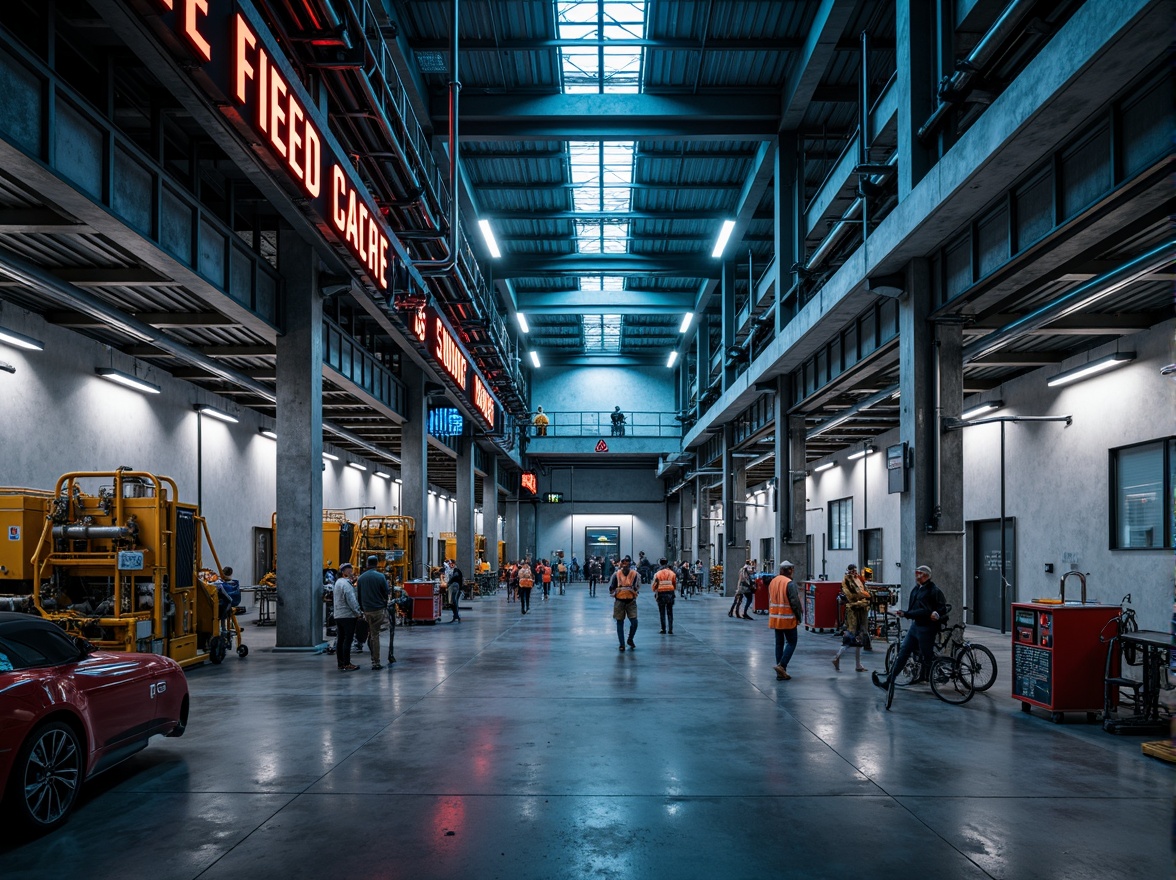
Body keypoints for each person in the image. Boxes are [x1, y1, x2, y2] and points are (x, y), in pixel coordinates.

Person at [872, 564, 947, 702]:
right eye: (916, 573)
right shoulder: (917, 589)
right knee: (903, 653)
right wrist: (906, 614)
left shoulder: (933, 591)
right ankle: (889, 682)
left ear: (925, 576)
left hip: (926, 628)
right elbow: (915, 608)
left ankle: (938, 675)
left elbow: (928, 610)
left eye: (918, 573)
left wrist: (908, 614)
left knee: (927, 657)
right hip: (916, 627)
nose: (916, 575)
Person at [833, 564, 871, 673]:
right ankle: (837, 657)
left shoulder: (858, 580)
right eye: (852, 571)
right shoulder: (846, 582)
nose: (854, 573)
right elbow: (852, 597)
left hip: (860, 611)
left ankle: (858, 664)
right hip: (853, 613)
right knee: (851, 638)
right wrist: (863, 599)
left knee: (859, 639)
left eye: (855, 571)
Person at [769, 561, 802, 680]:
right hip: (787, 618)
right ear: (789, 570)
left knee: (779, 643)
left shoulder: (773, 581)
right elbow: (794, 602)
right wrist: (799, 616)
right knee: (792, 642)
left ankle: (780, 672)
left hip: (775, 618)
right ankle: (782, 666)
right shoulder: (789, 583)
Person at [356, 555, 390, 670]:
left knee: (371, 633)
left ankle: (373, 657)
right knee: (375, 635)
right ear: (377, 564)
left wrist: (362, 608)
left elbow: (358, 596)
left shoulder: (360, 578)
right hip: (378, 610)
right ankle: (375, 662)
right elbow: (386, 592)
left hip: (366, 610)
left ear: (367, 564)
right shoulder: (381, 577)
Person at [332, 562, 361, 671]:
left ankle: (341, 663)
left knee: (340, 639)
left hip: (338, 615)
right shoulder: (345, 584)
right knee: (347, 640)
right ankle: (347, 663)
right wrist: (358, 612)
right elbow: (351, 600)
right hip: (347, 616)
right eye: (350, 570)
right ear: (344, 572)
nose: (352, 572)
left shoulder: (338, 582)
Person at [609, 555, 640, 651]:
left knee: (634, 622)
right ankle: (622, 644)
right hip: (619, 601)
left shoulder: (635, 574)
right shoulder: (616, 574)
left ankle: (630, 639)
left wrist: (633, 591)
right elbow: (611, 587)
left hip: (631, 601)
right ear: (621, 565)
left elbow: (637, 586)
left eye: (627, 564)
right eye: (624, 564)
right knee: (619, 622)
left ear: (630, 564)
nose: (625, 566)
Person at [651, 558, 677, 634]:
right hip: (670, 593)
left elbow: (654, 584)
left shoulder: (658, 573)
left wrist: (654, 590)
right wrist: (673, 590)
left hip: (661, 593)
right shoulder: (672, 573)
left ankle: (663, 629)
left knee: (662, 612)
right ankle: (670, 629)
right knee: (670, 611)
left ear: (660, 563)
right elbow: (674, 583)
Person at [447, 559, 463, 623]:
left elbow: (455, 576)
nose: (449, 565)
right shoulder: (453, 570)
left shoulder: (456, 570)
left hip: (455, 586)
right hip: (454, 586)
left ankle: (456, 615)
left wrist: (449, 582)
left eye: (450, 564)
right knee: (453, 601)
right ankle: (455, 615)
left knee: (454, 600)